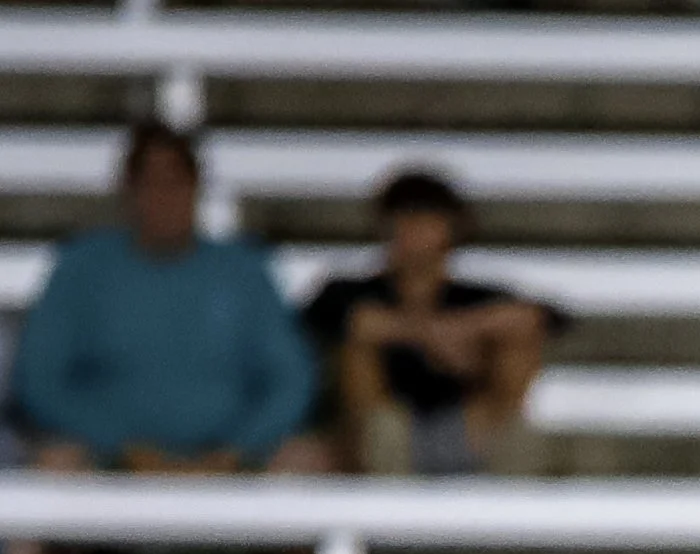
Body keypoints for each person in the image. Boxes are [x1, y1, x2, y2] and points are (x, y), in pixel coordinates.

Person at [10, 122, 316, 483]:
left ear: (196, 188)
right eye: (150, 183)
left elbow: (291, 378)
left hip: (232, 462)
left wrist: (238, 447)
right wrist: (122, 446)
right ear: (128, 190)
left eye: (175, 183)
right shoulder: (81, 267)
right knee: (50, 467)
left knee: (308, 463)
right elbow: (39, 380)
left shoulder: (244, 269)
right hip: (108, 461)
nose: (164, 197)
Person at [302, 169, 557, 477]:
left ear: (453, 228)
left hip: (471, 428)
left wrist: (460, 328)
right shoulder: (348, 291)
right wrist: (431, 334)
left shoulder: (476, 297)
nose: (416, 233)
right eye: (406, 220)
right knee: (357, 351)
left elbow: (539, 317)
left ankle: (508, 513)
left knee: (518, 348)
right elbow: (339, 319)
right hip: (380, 434)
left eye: (428, 221)